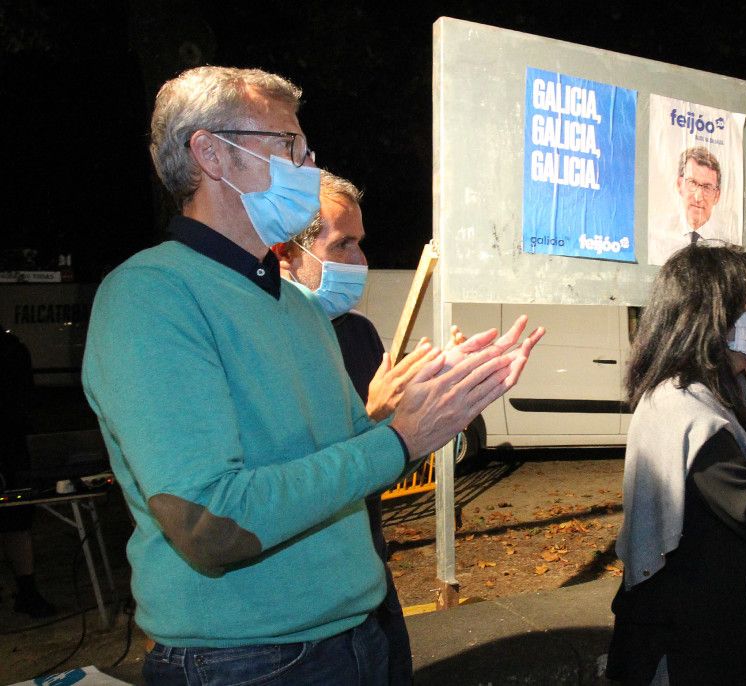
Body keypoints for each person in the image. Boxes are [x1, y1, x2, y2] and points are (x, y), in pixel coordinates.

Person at [83, 66, 541, 685]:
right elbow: (211, 524)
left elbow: (352, 460)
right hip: (248, 660)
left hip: (360, 634)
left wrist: (432, 404)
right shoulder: (150, 298)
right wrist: (398, 437)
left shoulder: (296, 305)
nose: (309, 164)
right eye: (290, 147)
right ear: (212, 153)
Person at [607, 244, 746, 685]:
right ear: (713, 316)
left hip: (741, 623)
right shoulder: (681, 407)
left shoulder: (734, 390)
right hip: (697, 643)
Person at [271, 170, 417, 685]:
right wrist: (374, 420)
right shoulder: (265, 340)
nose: (360, 262)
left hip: (371, 576)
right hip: (302, 613)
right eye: (343, 245)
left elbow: (381, 468)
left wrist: (430, 417)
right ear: (287, 253)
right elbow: (287, 481)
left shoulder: (359, 334)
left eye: (361, 244)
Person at [0, 330, 56, 618]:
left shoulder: (11, 351)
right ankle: (27, 591)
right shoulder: (13, 351)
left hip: (11, 446)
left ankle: (27, 590)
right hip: (13, 444)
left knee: (17, 520)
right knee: (16, 521)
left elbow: (23, 401)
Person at [648, 147, 735, 264]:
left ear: (717, 196)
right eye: (692, 183)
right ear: (679, 185)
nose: (698, 197)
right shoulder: (656, 234)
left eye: (707, 187)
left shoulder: (727, 244)